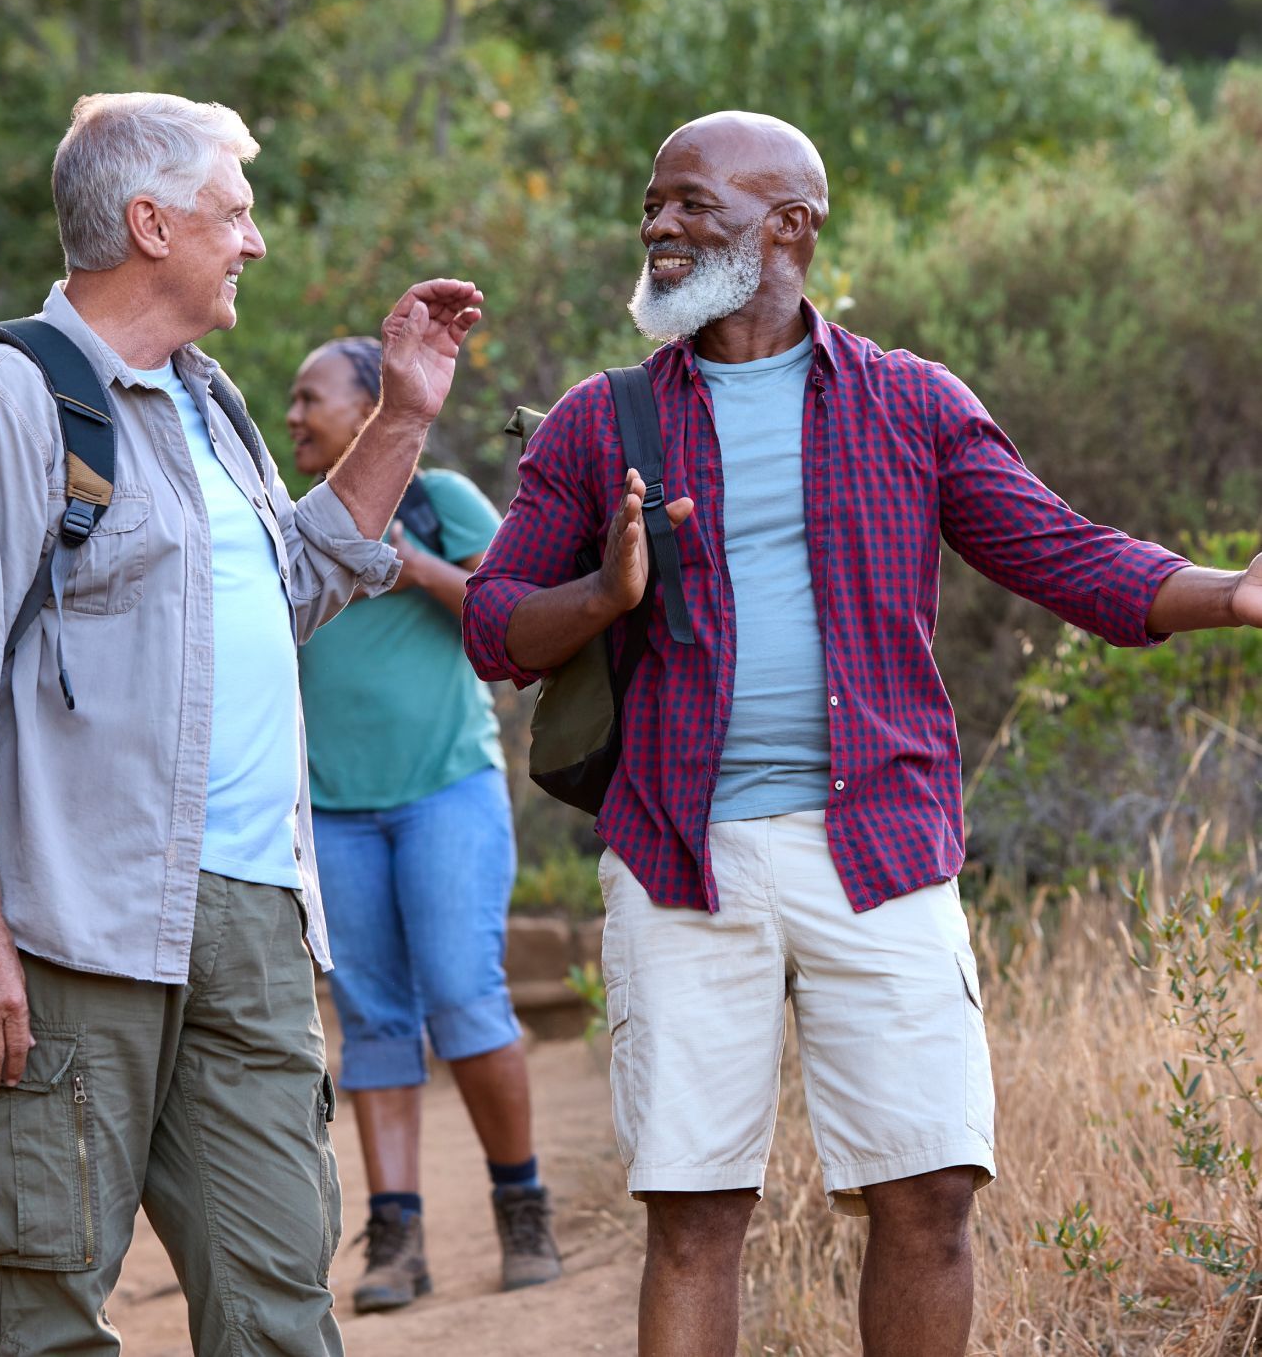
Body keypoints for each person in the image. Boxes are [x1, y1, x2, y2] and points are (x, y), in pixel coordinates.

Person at [461, 110, 1262, 1357]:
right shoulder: (598, 421)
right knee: (693, 1213)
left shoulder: (908, 404)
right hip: (682, 854)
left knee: (931, 1192)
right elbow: (497, 625)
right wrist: (604, 598)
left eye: (693, 207)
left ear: (789, 226)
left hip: (880, 848)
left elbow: (1066, 558)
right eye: (654, 206)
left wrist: (1230, 593)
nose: (660, 227)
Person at [0, 91, 482, 1356]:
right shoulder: (8, 390)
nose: (253, 242)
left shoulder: (210, 403)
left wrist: (405, 417)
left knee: (280, 1294)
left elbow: (299, 585)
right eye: (235, 213)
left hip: (255, 916)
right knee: (46, 1295)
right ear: (150, 224)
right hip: (72, 921)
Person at [287, 336, 561, 1313]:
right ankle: (395, 1239)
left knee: (461, 993)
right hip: (336, 812)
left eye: (308, 398)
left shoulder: (442, 499)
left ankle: (522, 1205)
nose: (292, 417)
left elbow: (510, 626)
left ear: (372, 403)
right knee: (372, 1019)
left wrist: (412, 567)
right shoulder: (298, 525)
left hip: (446, 790)